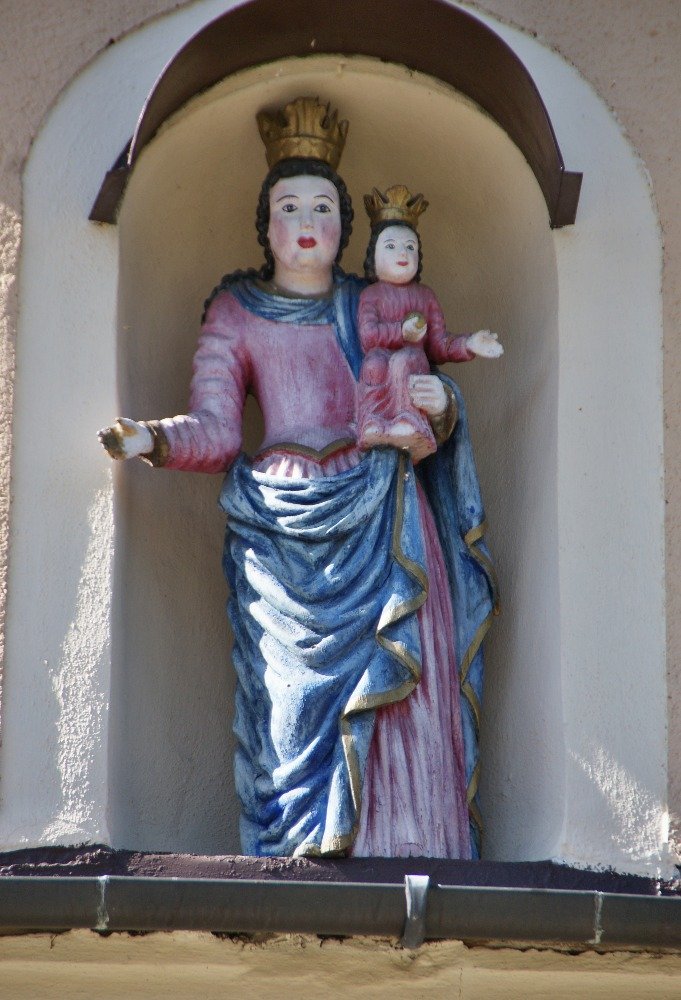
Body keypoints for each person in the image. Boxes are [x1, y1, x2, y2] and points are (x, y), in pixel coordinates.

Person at [99, 97, 498, 859]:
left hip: (381, 505)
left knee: (400, 672)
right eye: (289, 207)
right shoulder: (235, 312)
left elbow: (421, 395)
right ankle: (298, 848)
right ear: (265, 225)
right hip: (281, 521)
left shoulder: (370, 304)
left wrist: (441, 403)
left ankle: (402, 842)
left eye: (323, 207)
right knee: (288, 703)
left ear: (346, 227)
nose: (307, 221)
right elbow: (218, 431)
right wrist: (154, 438)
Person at [357, 185, 503, 463]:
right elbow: (368, 336)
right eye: (391, 246)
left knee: (405, 360)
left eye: (410, 247)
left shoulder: (424, 296)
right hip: (380, 356)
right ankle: (373, 422)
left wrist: (469, 344)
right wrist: (401, 331)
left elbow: (438, 345)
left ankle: (408, 422)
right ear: (373, 256)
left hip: (412, 360)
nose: (402, 253)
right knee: (373, 364)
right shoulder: (370, 295)